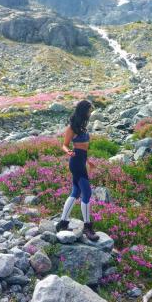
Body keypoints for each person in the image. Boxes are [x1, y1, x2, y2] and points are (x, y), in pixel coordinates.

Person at [56, 99, 99, 241]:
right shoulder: (72, 128)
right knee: (86, 192)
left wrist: (88, 161)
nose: (90, 113)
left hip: (82, 161)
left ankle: (63, 223)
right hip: (75, 162)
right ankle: (87, 226)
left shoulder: (83, 127)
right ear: (83, 111)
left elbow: (83, 148)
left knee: (76, 192)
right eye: (89, 110)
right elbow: (64, 145)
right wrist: (68, 151)